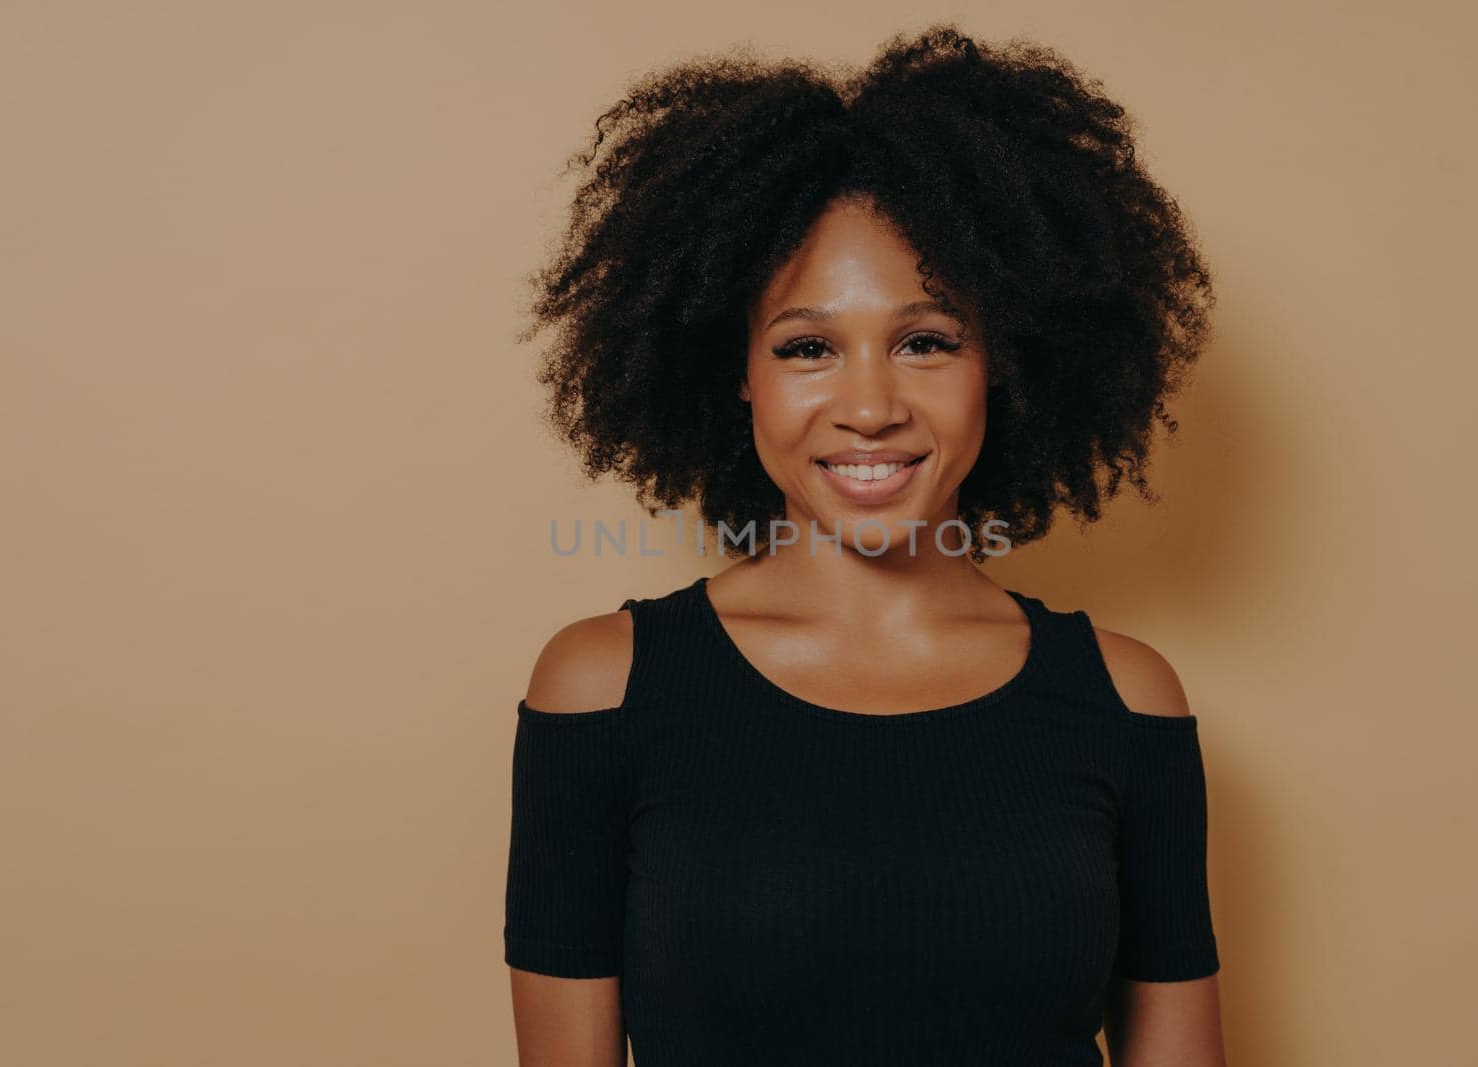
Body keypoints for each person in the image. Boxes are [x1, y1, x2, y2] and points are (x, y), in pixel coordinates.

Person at [504, 22, 1226, 1067]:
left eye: (926, 341)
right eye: (808, 347)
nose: (870, 405)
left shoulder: (1128, 700)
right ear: (736, 372)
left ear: (1003, 367)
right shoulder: (603, 691)